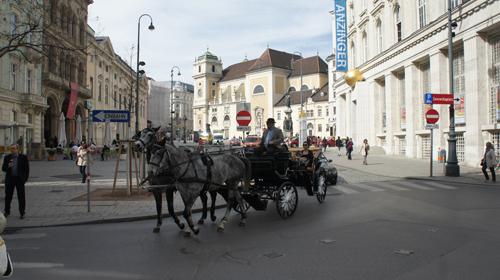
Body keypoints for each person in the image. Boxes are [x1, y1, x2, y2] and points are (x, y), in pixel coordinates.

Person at [2, 144, 29, 219]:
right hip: (10, 179)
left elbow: (26, 169)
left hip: (19, 180)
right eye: (11, 149)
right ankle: (7, 211)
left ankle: (22, 213)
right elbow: (3, 168)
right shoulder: (7, 157)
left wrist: (25, 179)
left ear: (17, 149)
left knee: (21, 197)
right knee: (8, 196)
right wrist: (8, 166)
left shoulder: (23, 157)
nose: (12, 150)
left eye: (14, 148)